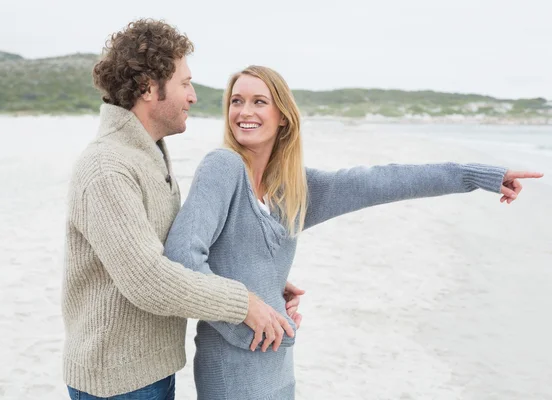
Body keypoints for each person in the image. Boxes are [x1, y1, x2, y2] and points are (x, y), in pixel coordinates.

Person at [163, 65, 544, 400]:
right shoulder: (223, 167)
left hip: (279, 367)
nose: (244, 112)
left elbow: (384, 181)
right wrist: (250, 308)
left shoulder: (294, 190)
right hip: (232, 371)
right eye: (236, 101)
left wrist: (476, 176)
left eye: (259, 102)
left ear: (283, 116)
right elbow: (182, 258)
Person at [61, 22, 299, 400]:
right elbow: (148, 280)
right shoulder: (108, 166)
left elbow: (166, 246)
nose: (192, 96)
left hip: (151, 371)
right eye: (184, 83)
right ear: (148, 88)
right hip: (116, 383)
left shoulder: (148, 152)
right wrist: (244, 303)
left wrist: (254, 276)